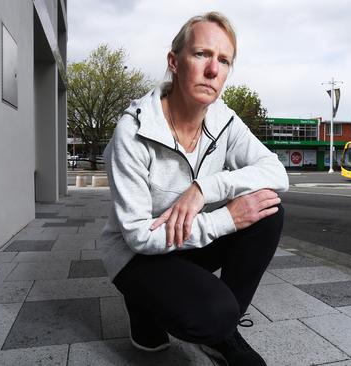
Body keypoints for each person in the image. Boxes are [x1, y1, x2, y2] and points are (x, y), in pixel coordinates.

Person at [99, 11, 288, 366]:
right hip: (135, 253)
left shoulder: (224, 120)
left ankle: (222, 333)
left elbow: (277, 173)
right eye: (202, 54)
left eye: (224, 60)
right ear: (174, 61)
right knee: (199, 316)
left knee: (268, 209)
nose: (213, 70)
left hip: (185, 241)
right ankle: (145, 305)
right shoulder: (134, 131)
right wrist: (226, 219)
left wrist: (206, 187)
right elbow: (139, 236)